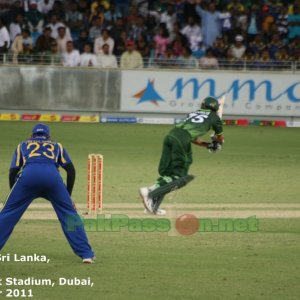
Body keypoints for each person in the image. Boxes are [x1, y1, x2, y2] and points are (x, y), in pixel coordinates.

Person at [0, 123, 95, 263]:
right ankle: (86, 255)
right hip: (52, 179)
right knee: (70, 215)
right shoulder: (57, 146)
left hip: (28, 179)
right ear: (48, 136)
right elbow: (71, 170)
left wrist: (13, 194)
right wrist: (67, 195)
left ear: (32, 135)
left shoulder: (22, 145)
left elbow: (13, 171)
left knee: (8, 213)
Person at [139, 97, 224, 215]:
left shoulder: (194, 113)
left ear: (204, 105)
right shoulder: (215, 118)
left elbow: (193, 138)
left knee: (168, 174)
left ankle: (152, 206)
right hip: (182, 140)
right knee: (179, 176)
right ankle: (150, 192)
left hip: (170, 136)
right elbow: (220, 137)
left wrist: (208, 145)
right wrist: (218, 143)